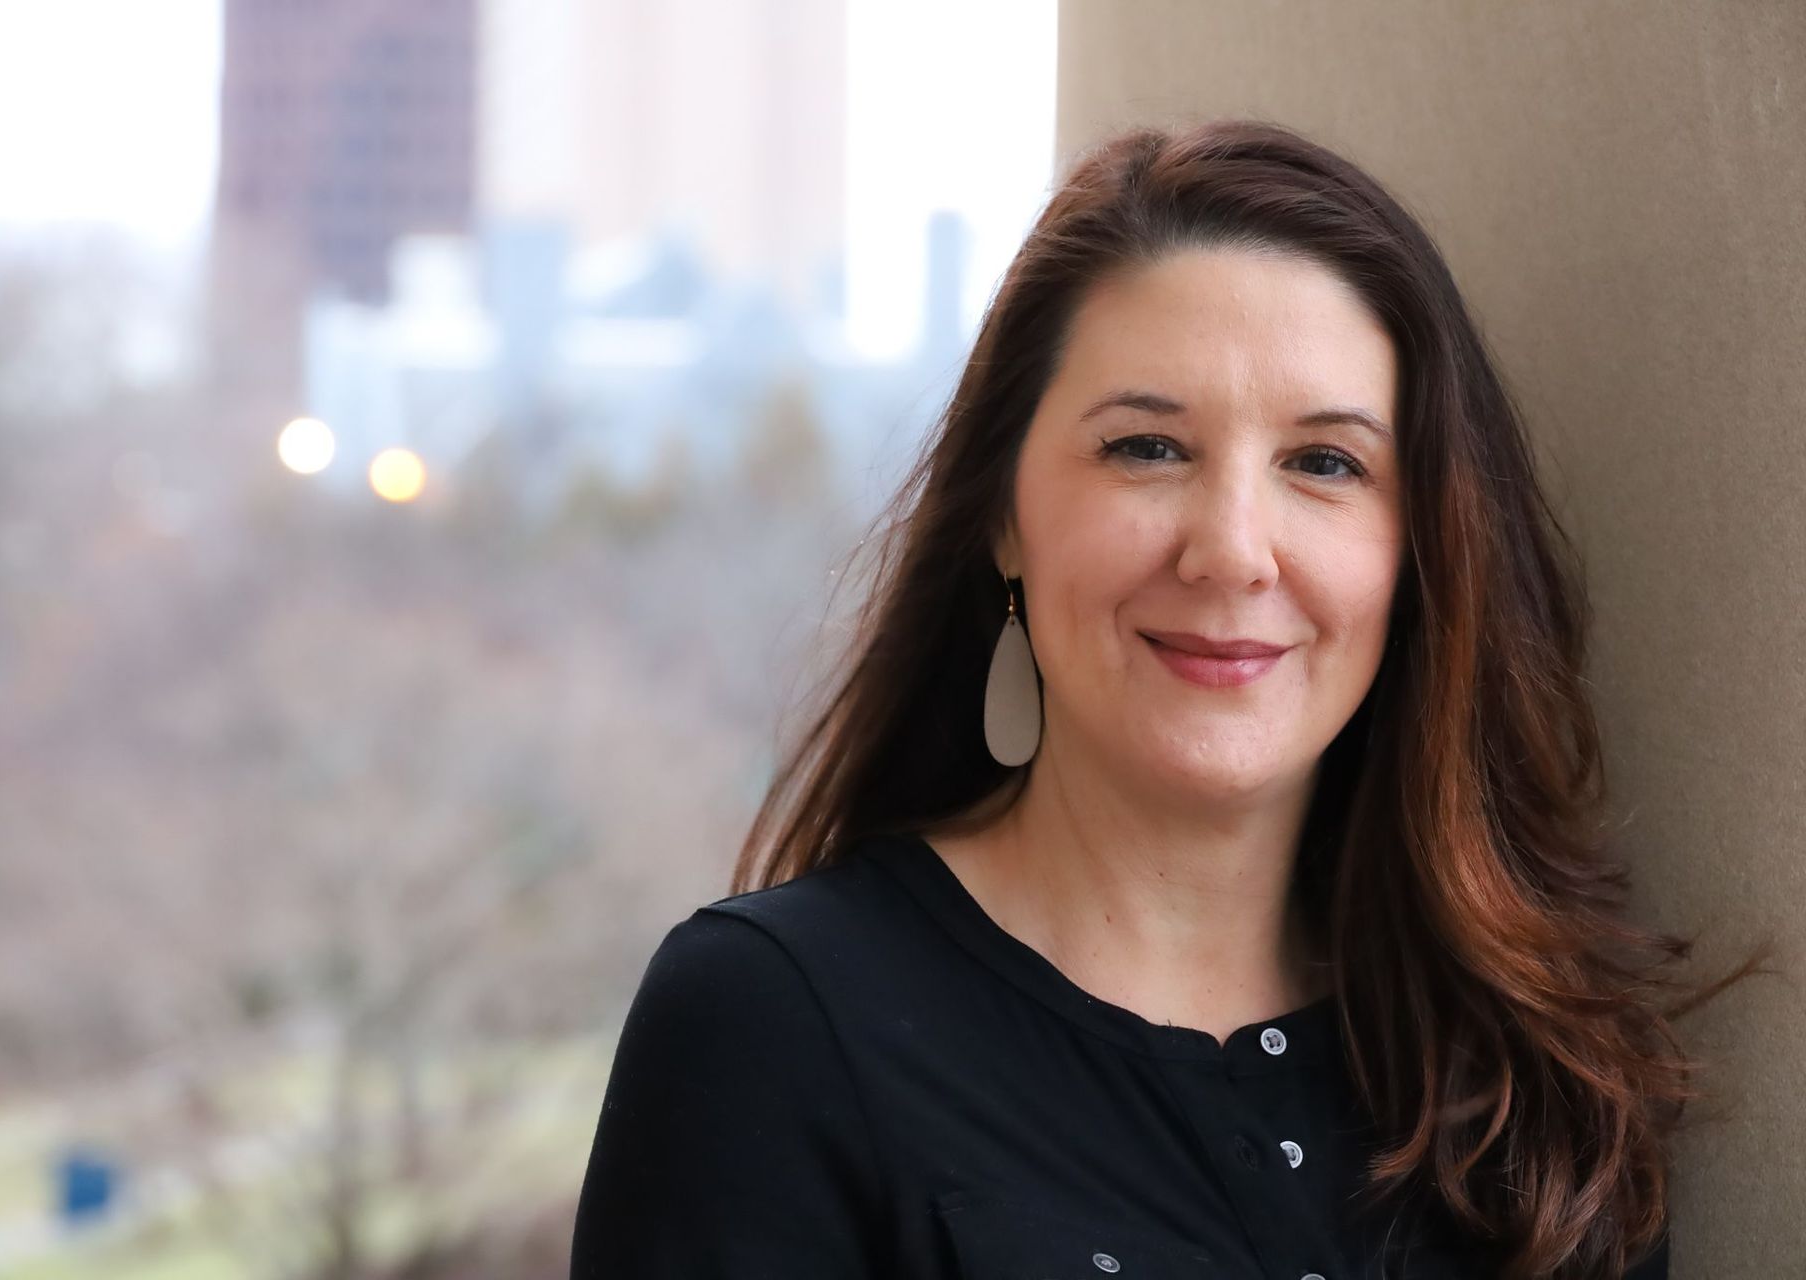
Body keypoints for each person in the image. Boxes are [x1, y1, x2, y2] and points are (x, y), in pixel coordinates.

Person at [568, 119, 1772, 1279]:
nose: (1233, 550)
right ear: (1003, 514)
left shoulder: (1530, 1056)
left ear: (1422, 551)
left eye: (1325, 463)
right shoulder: (769, 1024)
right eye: (1147, 446)